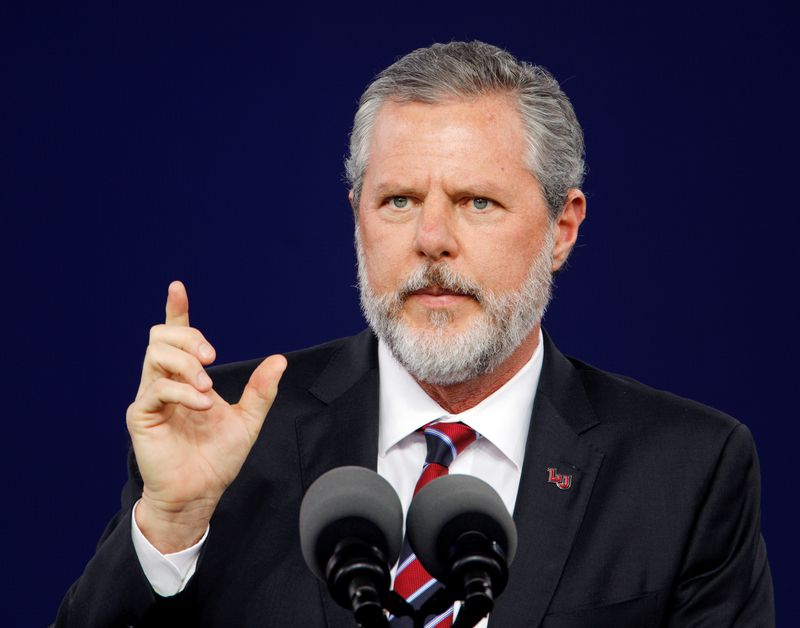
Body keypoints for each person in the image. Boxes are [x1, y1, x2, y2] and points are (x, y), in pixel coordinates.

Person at [55, 41, 774, 627]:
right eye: (398, 200)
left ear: (563, 228)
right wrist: (170, 525)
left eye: (477, 202)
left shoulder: (689, 469)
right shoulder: (227, 429)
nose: (431, 239)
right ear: (357, 216)